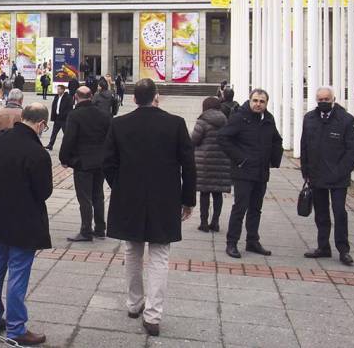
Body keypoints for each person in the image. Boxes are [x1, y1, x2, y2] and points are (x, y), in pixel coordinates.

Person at [103, 78, 196, 336]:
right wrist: (188, 199)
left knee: (132, 250)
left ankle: (134, 303)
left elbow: (108, 162)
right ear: (156, 96)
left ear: (134, 99)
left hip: (128, 196)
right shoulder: (175, 123)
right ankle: (153, 315)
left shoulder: (119, 124)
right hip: (164, 197)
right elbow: (188, 164)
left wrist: (120, 186)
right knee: (159, 255)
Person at [0, 103, 53, 346]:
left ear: (23, 117)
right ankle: (16, 328)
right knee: (18, 272)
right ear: (41, 124)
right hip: (24, 219)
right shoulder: (38, 153)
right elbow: (44, 191)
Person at [218, 89, 283, 259]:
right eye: (255, 100)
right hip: (244, 171)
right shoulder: (240, 117)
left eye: (262, 101)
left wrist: (273, 160)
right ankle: (231, 243)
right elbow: (223, 137)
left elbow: (276, 139)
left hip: (261, 172)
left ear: (266, 103)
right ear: (250, 100)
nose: (258, 104)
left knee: (256, 208)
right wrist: (240, 159)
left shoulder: (268, 119)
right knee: (240, 208)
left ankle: (252, 240)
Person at [300, 87, 354, 266]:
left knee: (339, 212)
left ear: (333, 99)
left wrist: (341, 171)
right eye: (320, 99)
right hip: (316, 175)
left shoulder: (346, 120)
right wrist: (306, 171)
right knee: (321, 213)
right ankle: (323, 247)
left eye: (326, 99)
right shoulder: (309, 118)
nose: (323, 102)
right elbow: (304, 146)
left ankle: (344, 250)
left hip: (338, 178)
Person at [60, 86, 111, 241]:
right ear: (91, 96)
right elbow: (110, 137)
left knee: (85, 198)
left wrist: (64, 159)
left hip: (83, 162)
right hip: (100, 162)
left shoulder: (75, 115)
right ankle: (101, 228)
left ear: (76, 97)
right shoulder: (104, 114)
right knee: (98, 195)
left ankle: (86, 230)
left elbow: (69, 138)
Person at [190, 97, 232, 233]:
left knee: (204, 193)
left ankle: (203, 222)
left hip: (205, 162)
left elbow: (194, 140)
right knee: (217, 193)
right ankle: (215, 222)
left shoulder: (202, 121)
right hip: (222, 162)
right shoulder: (226, 121)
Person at [45, 84, 73, 150]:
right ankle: (50, 145)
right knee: (54, 133)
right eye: (57, 89)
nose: (58, 90)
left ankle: (69, 146)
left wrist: (65, 115)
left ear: (63, 90)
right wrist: (53, 116)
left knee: (66, 134)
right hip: (57, 118)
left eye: (59, 89)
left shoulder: (68, 97)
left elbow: (69, 108)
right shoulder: (56, 96)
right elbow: (54, 106)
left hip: (64, 119)